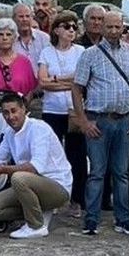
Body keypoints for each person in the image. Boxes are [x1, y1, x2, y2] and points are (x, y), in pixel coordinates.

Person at [72, 10, 129, 237]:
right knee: (97, 172)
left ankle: (123, 218)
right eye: (109, 27)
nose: (113, 31)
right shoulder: (89, 54)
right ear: (102, 28)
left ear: (123, 27)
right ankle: (91, 218)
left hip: (125, 119)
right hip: (98, 119)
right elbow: (77, 88)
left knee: (122, 173)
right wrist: (83, 120)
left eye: (117, 27)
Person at [0, 92, 73, 239]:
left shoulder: (39, 128)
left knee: (18, 177)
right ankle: (37, 213)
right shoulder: (9, 133)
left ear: (23, 109)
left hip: (57, 185)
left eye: (14, 111)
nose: (10, 117)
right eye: (6, 113)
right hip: (30, 185)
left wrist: (2, 170)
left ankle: (35, 226)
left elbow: (36, 167)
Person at [37, 12, 89, 214]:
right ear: (57, 29)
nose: (71, 31)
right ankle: (52, 197)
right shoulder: (46, 52)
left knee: (77, 156)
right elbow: (42, 82)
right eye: (66, 26)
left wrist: (56, 80)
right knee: (51, 155)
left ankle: (77, 199)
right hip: (52, 110)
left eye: (74, 27)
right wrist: (67, 83)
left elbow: (81, 80)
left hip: (75, 110)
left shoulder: (81, 51)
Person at [0, 17, 38, 96]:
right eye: (1, 34)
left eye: (8, 34)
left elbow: (31, 89)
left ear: (14, 37)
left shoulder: (25, 62)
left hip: (19, 106)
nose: (5, 38)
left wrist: (24, 104)